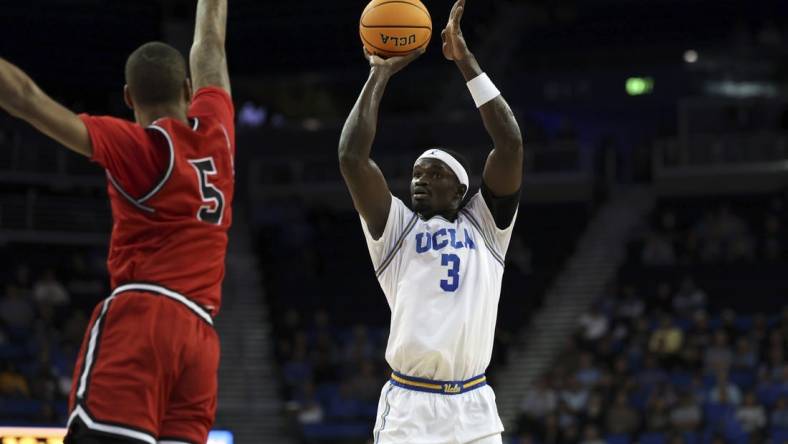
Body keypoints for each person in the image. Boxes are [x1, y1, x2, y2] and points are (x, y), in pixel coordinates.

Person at [0, 0, 234, 442]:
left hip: (144, 315)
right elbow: (210, 46)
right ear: (188, 89)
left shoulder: (139, 148)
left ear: (128, 98)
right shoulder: (218, 131)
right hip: (201, 337)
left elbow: (27, 99)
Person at [337, 0, 523, 442]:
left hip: (475, 405)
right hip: (411, 407)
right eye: (417, 173)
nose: (420, 179)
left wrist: (466, 62)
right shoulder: (396, 230)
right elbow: (351, 157)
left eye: (434, 173)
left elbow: (510, 145)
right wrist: (378, 75)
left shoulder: (485, 227)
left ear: (461, 191)